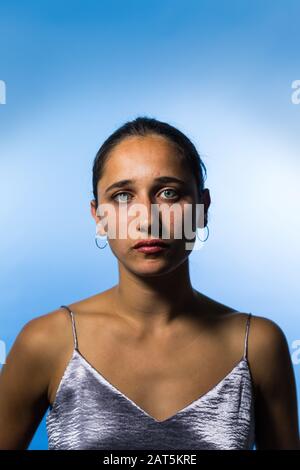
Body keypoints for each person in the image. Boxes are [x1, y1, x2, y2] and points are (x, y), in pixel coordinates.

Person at [0, 116, 299, 450]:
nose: (147, 219)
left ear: (202, 208)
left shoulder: (257, 344)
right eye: (123, 196)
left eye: (168, 193)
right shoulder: (46, 342)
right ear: (98, 217)